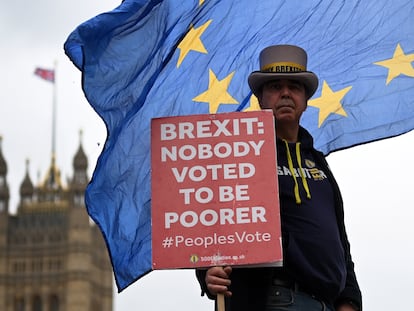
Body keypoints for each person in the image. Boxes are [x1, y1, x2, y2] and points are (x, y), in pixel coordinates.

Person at [195, 45, 362, 311]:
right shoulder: (238, 154)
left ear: (306, 100)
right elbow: (211, 221)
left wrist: (350, 300)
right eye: (275, 86)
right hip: (273, 299)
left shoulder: (319, 163)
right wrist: (206, 271)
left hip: (326, 304)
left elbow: (339, 240)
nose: (285, 93)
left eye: (294, 86)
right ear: (260, 98)